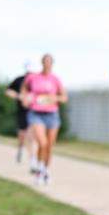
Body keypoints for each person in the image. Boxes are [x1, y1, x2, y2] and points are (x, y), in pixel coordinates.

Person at [20, 54, 67, 186]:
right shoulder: (33, 77)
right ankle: (39, 171)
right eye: (45, 62)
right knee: (42, 143)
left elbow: (64, 97)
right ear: (42, 63)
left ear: (52, 64)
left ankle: (46, 170)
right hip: (36, 113)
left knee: (49, 146)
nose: (47, 64)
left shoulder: (55, 79)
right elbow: (24, 89)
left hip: (52, 114)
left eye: (49, 62)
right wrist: (25, 98)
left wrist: (55, 98)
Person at [5, 62, 38, 169]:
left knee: (32, 137)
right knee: (22, 136)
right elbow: (8, 91)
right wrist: (19, 96)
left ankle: (33, 160)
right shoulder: (19, 80)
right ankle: (20, 148)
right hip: (22, 111)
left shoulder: (38, 80)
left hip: (34, 111)